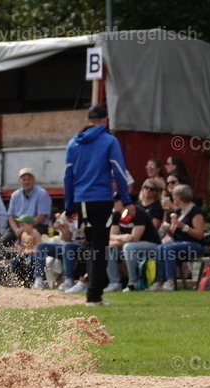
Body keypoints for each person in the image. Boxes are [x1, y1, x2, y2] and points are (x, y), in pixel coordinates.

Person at [63, 104, 135, 306]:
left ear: (87, 121)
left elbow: (68, 176)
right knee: (99, 247)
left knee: (89, 245)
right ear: (105, 121)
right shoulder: (110, 141)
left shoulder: (73, 144)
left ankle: (88, 288)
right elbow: (119, 172)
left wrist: (69, 206)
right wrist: (127, 200)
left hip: (81, 200)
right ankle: (94, 295)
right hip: (101, 199)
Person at [149, 184, 205, 291]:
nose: (173, 198)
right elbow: (176, 234)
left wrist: (183, 226)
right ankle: (159, 281)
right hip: (179, 243)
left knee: (169, 249)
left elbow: (199, 234)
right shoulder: (178, 212)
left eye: (174, 196)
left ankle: (170, 281)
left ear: (179, 197)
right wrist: (169, 229)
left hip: (194, 245)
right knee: (160, 248)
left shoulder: (195, 211)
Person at [106, 201, 157, 292]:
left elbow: (134, 238)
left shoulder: (140, 213)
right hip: (127, 244)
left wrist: (115, 242)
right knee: (107, 248)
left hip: (151, 245)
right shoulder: (117, 215)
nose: (132, 213)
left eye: (133, 210)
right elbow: (112, 235)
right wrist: (122, 237)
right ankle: (115, 283)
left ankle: (133, 282)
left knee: (129, 247)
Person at [33, 211, 83, 291]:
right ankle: (38, 281)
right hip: (69, 246)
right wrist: (62, 228)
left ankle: (68, 281)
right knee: (41, 246)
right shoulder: (67, 214)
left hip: (83, 247)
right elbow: (67, 238)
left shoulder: (86, 214)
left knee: (68, 245)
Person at [7, 168, 52, 236]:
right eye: (24, 180)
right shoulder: (15, 195)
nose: (26, 182)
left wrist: (26, 228)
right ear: (19, 181)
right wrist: (16, 230)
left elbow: (41, 217)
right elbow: (10, 216)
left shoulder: (42, 194)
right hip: (18, 227)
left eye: (29, 179)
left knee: (30, 240)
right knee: (3, 242)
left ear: (34, 180)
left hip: (36, 226)